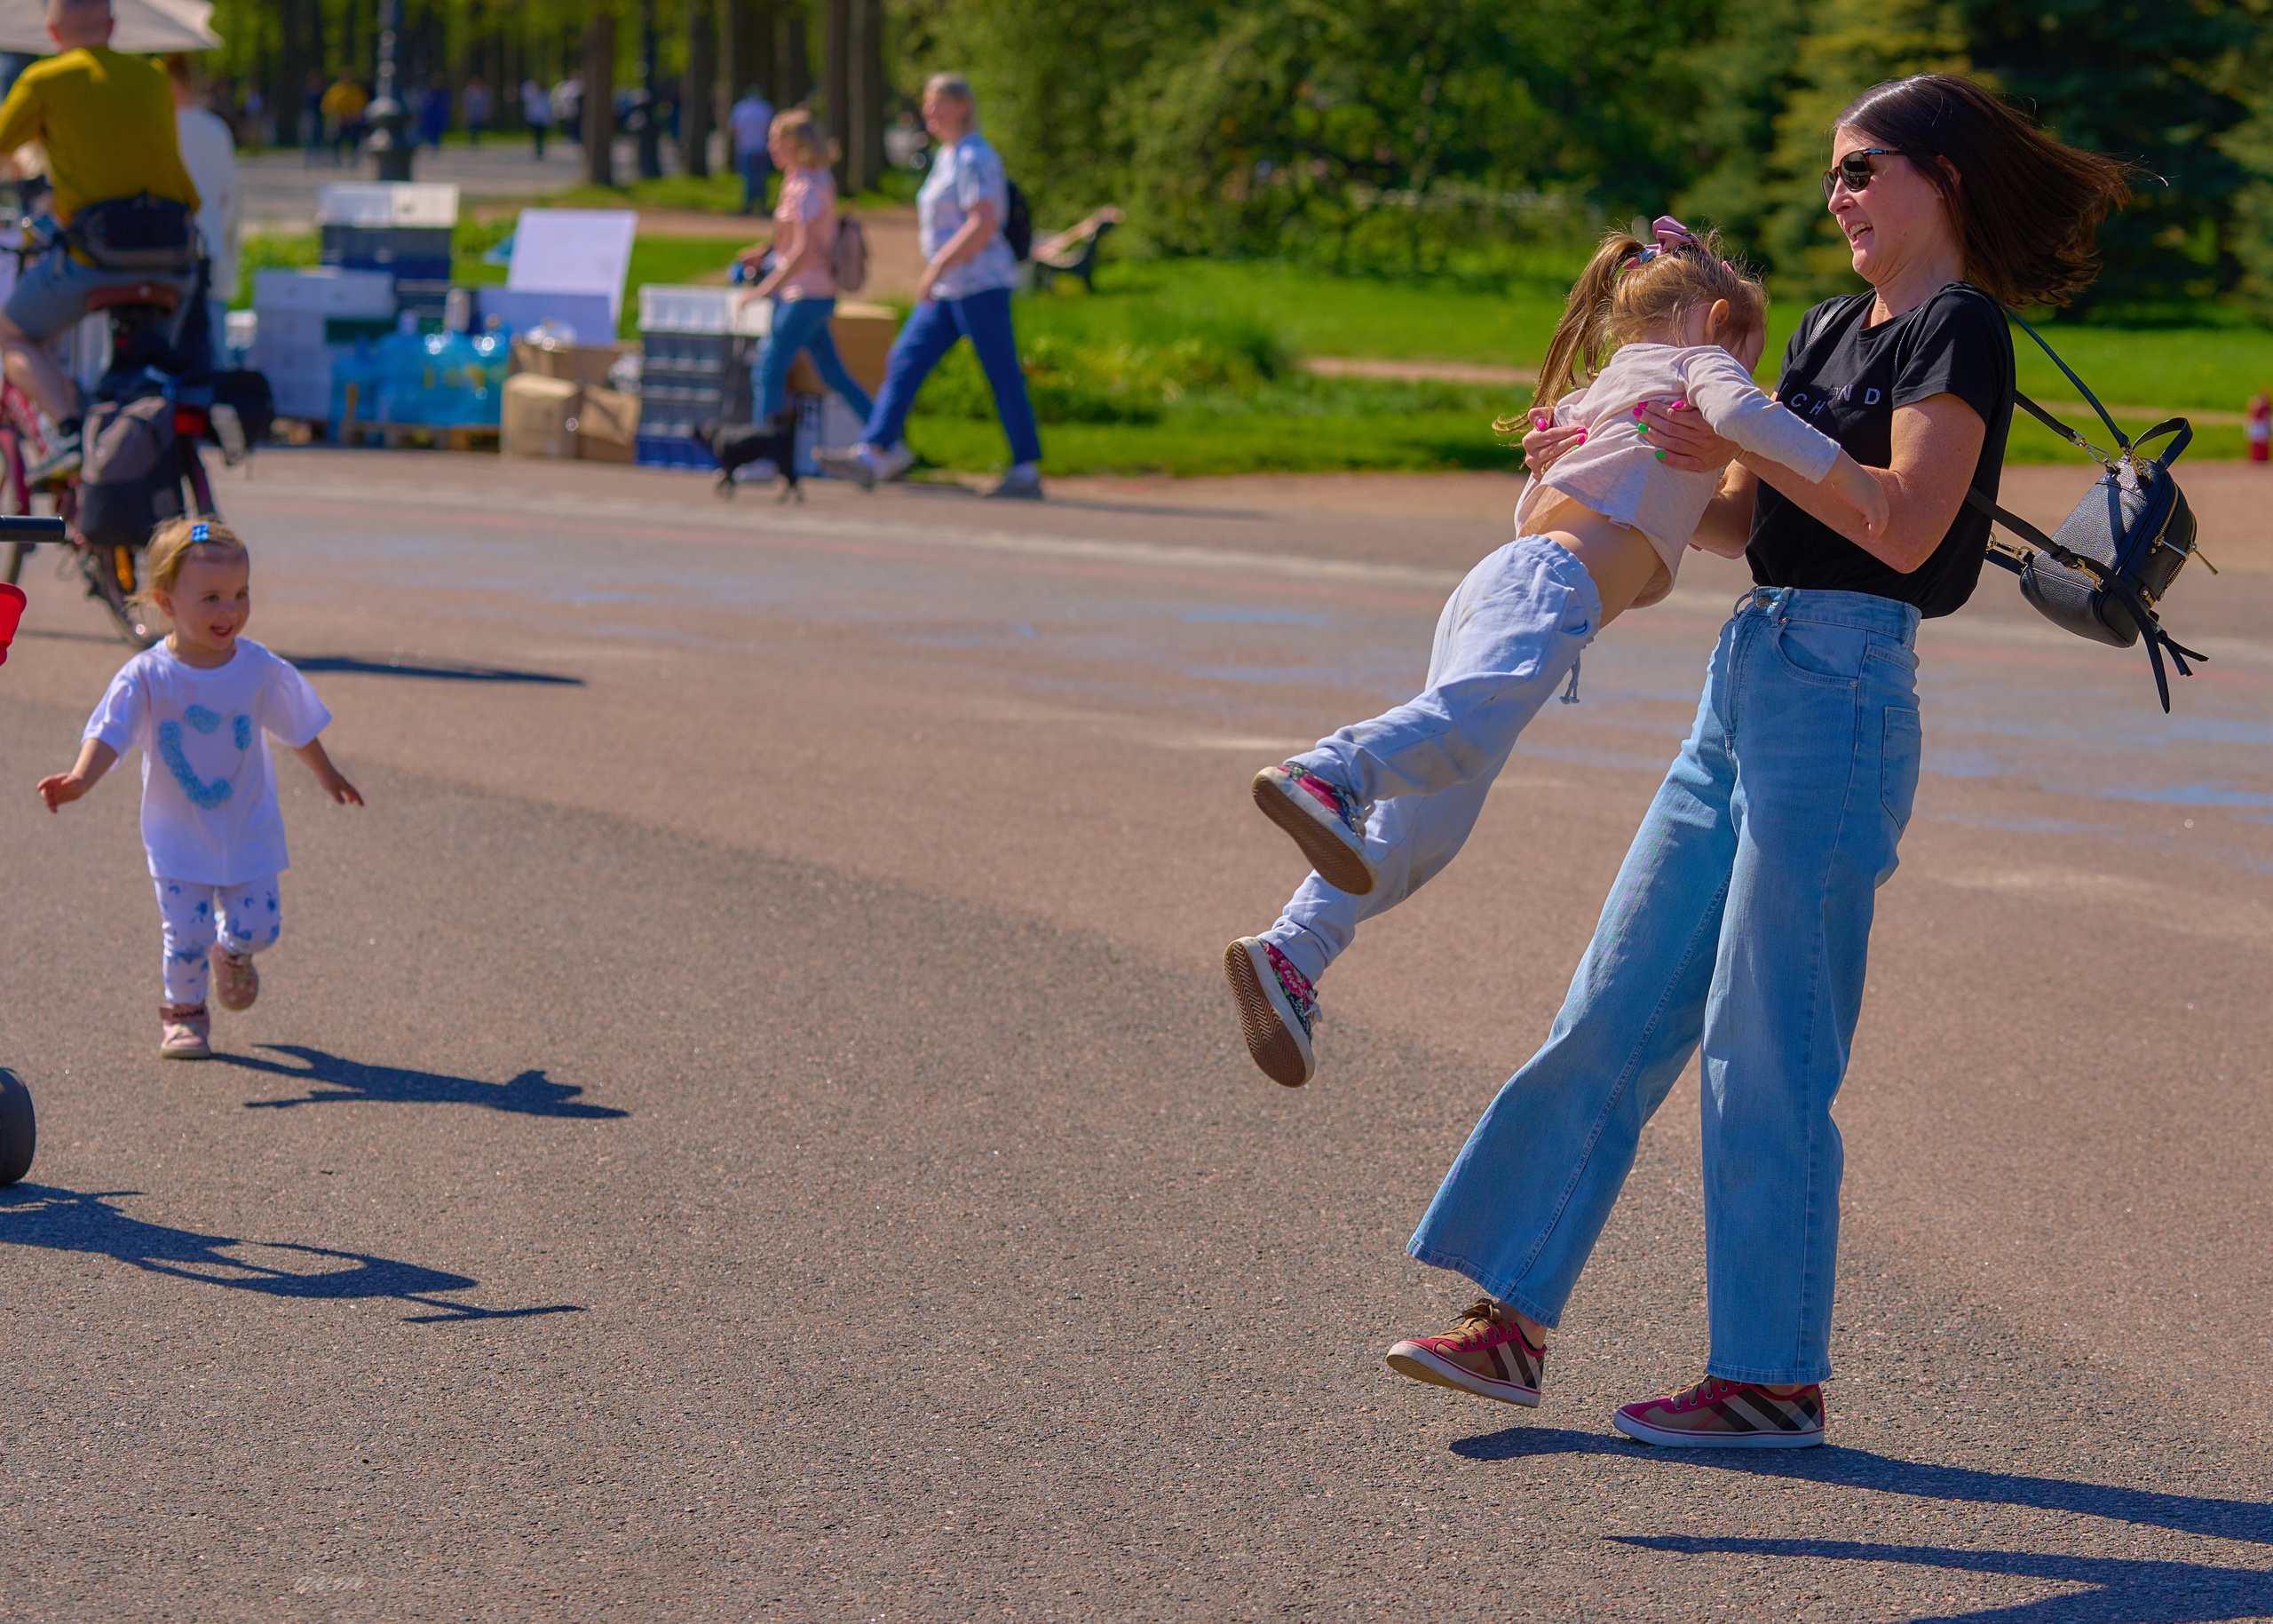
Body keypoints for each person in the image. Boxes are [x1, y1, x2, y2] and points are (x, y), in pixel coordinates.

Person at [1379, 74, 2132, 1448]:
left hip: (1847, 685)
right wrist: (1644, 452)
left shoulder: (1960, 331)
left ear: (1941, 177)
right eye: (1834, 173)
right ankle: (1511, 1325)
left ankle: (1772, 1379)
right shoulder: (1837, 323)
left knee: (1763, 1043)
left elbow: (1903, 529)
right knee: (1615, 998)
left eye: (1863, 169)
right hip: (1753, 668)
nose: (1837, 195)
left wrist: (1754, 435)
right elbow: (1746, 518)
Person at [1225, 218, 1885, 1090]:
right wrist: (1852, 483)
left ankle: (1292, 951)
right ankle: (1332, 771)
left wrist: (1721, 459)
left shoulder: (1612, 382)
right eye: (1747, 348)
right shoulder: (1702, 367)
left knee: (1426, 830)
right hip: (1549, 588)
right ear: (1721, 318)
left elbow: (1715, 525)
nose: (1749, 368)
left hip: (1509, 579)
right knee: (1457, 735)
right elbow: (1742, 414)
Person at [36, 520, 363, 1061]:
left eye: (241, 595)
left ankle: (233, 953)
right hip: (177, 837)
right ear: (166, 600)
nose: (229, 610)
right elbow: (110, 733)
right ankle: (184, 1017)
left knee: (260, 927)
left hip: (247, 829)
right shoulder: (147, 676)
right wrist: (78, 779)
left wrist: (327, 774)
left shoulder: (258, 668)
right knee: (184, 932)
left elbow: (295, 725)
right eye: (211, 597)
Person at [0, 0, 202, 481]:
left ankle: (69, 430)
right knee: (151, 355)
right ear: (113, 27)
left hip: (97, 254)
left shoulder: (46, 79)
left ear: (52, 32)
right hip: (175, 255)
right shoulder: (153, 76)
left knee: (12, 333)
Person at [816, 72, 1041, 501]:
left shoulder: (977, 157)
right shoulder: (948, 156)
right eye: (928, 104)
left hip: (979, 284)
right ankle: (877, 452)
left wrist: (936, 266)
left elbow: (984, 222)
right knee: (905, 358)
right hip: (950, 288)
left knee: (1001, 373)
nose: (929, 113)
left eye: (937, 104)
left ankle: (1025, 468)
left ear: (962, 107)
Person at [735, 109, 874, 432]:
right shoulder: (798, 181)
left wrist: (763, 288)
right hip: (808, 292)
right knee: (833, 375)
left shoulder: (809, 187)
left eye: (775, 139)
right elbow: (794, 241)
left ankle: (764, 450)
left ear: (794, 143)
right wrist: (766, 252)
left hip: (805, 293)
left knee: (768, 370)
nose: (770, 147)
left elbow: (804, 250)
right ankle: (887, 436)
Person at [168, 52, 239, 370]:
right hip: (208, 245)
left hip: (163, 249)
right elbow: (229, 197)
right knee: (212, 343)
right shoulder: (214, 129)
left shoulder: (159, 127)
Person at [728, 83, 773, 214]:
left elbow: (734, 130)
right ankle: (762, 205)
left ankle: (747, 205)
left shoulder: (740, 108)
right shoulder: (765, 108)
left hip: (744, 148)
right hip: (761, 148)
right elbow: (769, 129)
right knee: (761, 178)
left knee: (747, 178)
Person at [321, 72, 367, 164]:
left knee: (355, 141)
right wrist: (336, 116)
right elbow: (327, 105)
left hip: (353, 120)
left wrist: (354, 115)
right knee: (336, 141)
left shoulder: (356, 90)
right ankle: (336, 161)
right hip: (339, 119)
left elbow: (362, 105)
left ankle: (353, 160)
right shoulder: (335, 89)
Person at [521, 75, 550, 159]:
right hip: (535, 119)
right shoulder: (533, 95)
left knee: (541, 136)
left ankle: (540, 151)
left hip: (542, 119)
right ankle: (536, 151)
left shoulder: (545, 95)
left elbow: (547, 108)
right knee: (535, 136)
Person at [300, 68, 325, 166]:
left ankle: (318, 159)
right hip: (309, 116)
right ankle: (308, 160)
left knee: (318, 138)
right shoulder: (307, 91)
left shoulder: (321, 91)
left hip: (319, 117)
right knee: (308, 139)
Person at [418, 73, 449, 150]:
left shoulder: (443, 93)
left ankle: (435, 145)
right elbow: (424, 104)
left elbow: (444, 106)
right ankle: (430, 144)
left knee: (437, 132)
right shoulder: (428, 91)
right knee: (429, 131)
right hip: (430, 116)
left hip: (437, 116)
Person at [462, 75, 488, 145]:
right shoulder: (468, 91)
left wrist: (485, 111)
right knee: (472, 126)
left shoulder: (482, 91)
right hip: (472, 112)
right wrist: (466, 111)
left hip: (479, 112)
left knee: (477, 126)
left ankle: (476, 139)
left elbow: (485, 102)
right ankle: (472, 139)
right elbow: (466, 102)